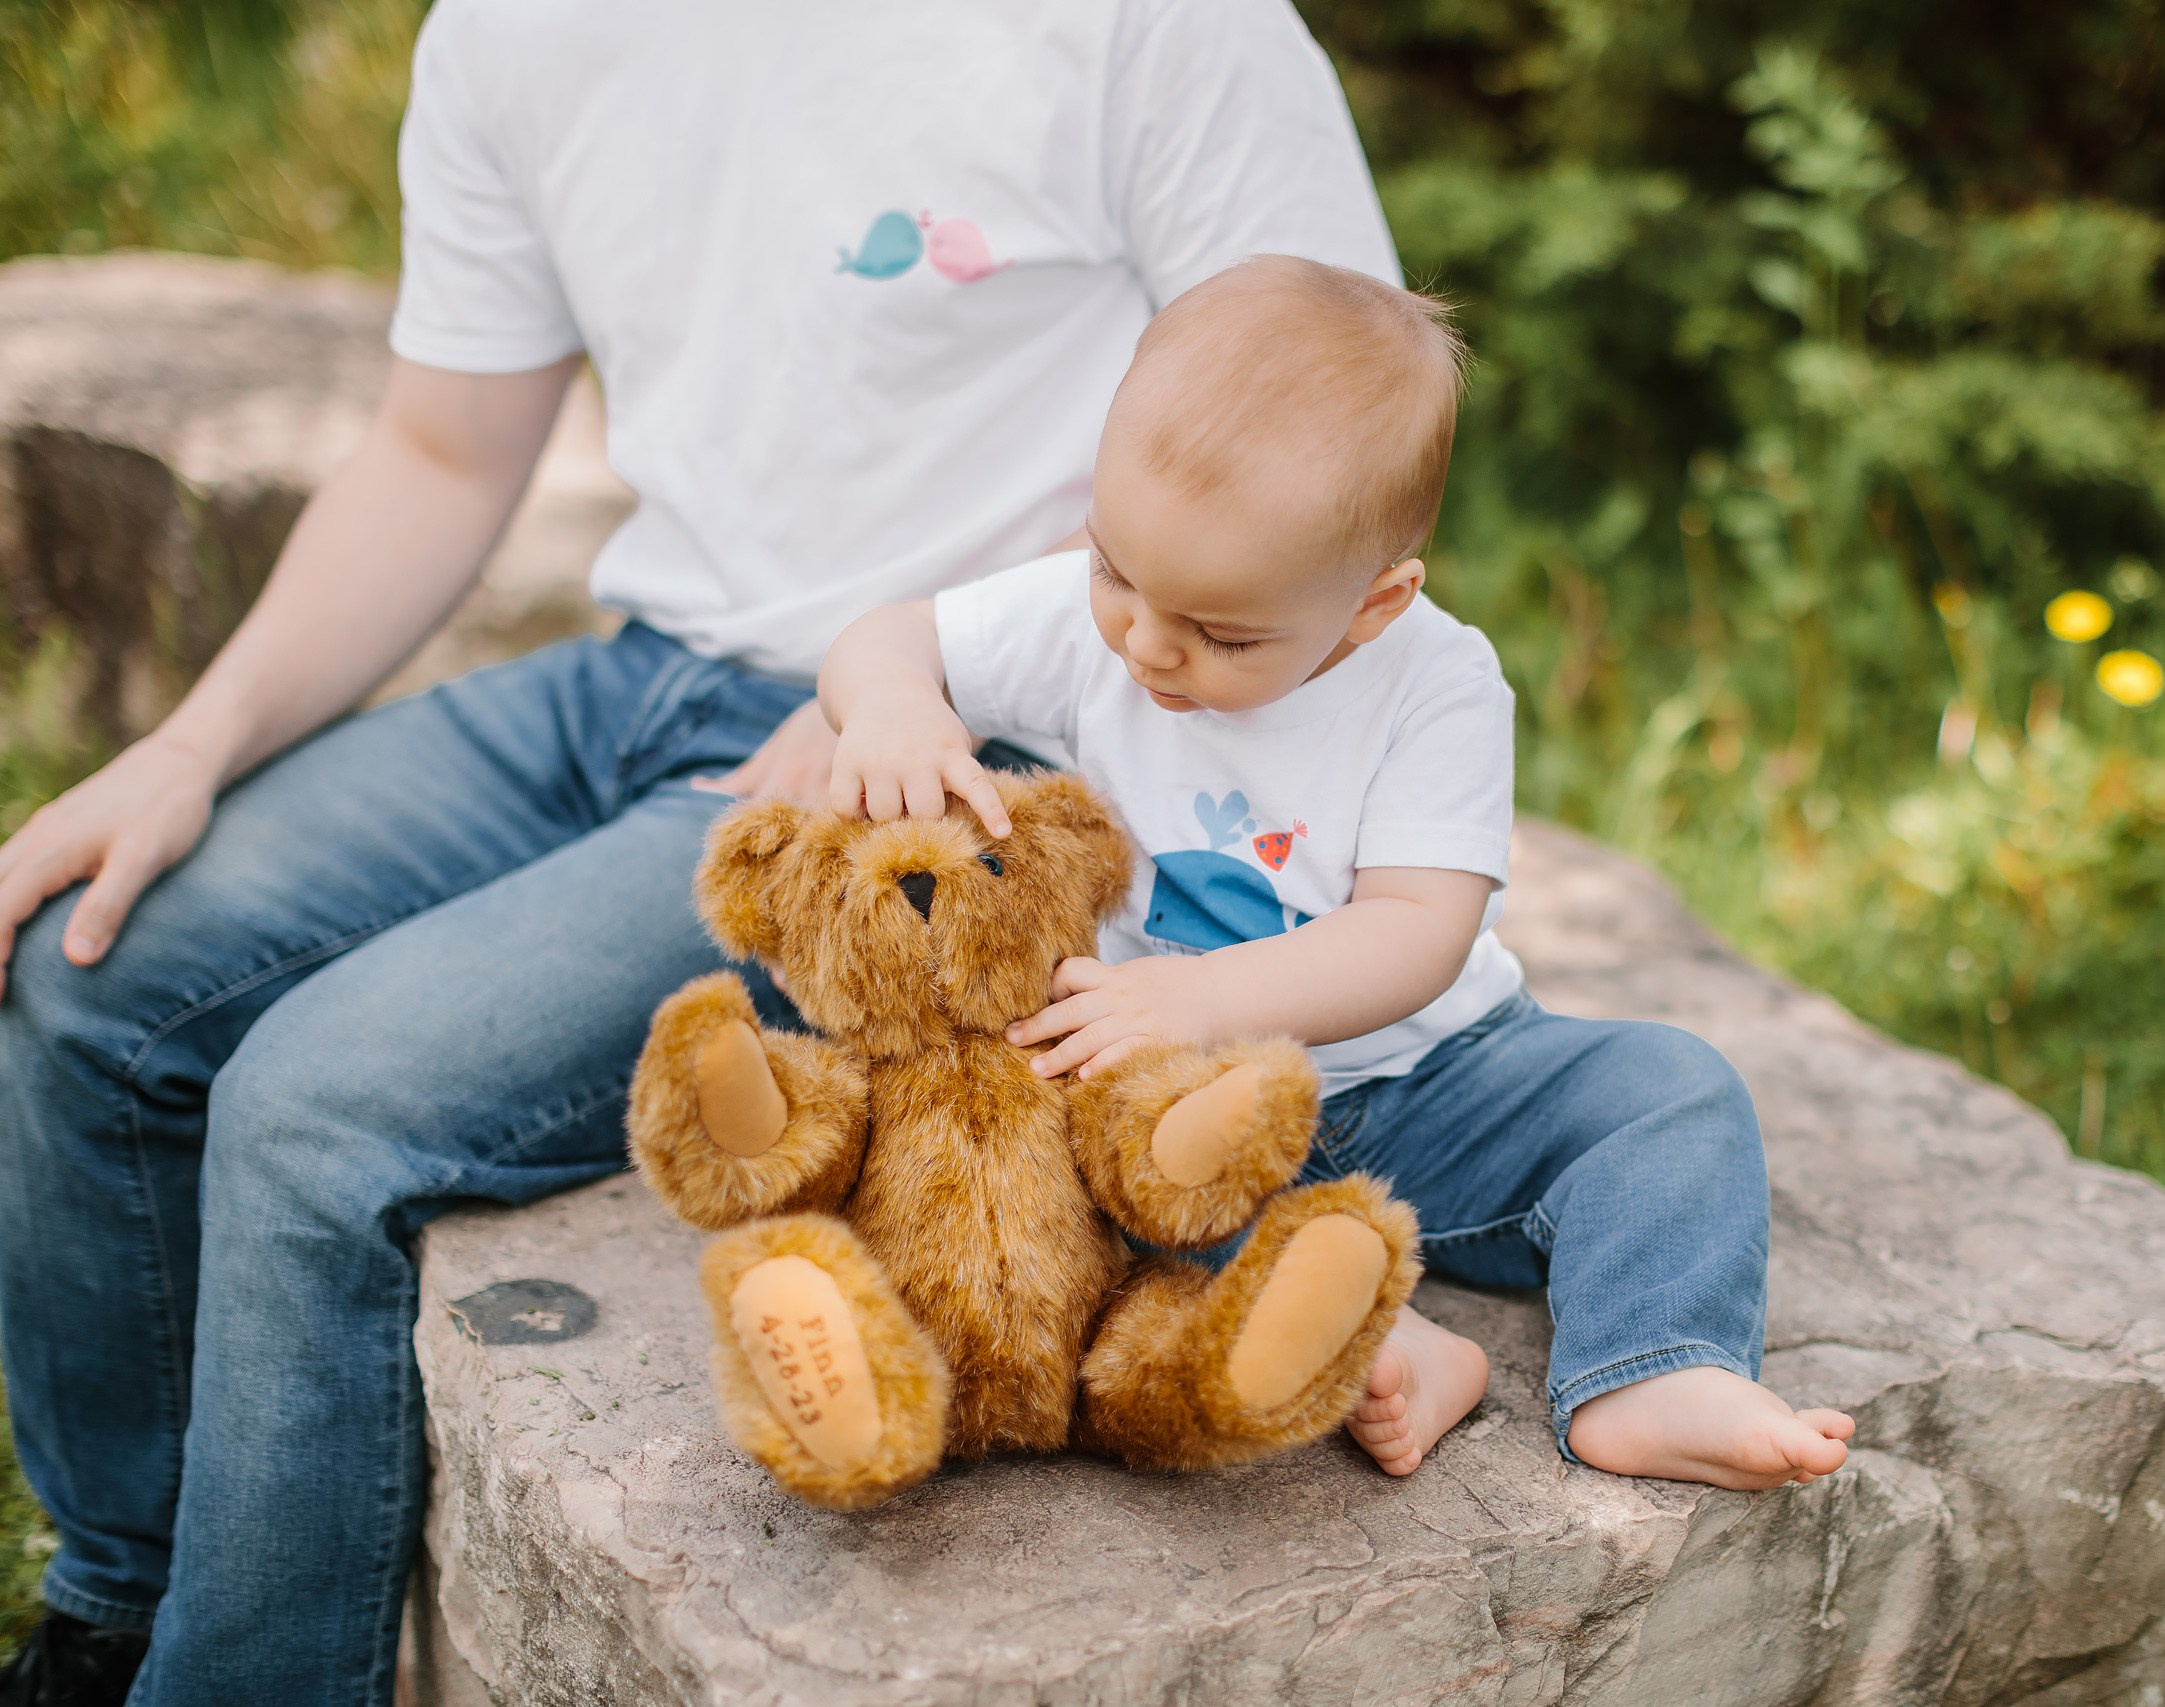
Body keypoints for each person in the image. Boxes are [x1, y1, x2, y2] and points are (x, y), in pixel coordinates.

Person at [0, 0, 1402, 1700]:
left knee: (312, 1106)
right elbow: (443, 451)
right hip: (634, 677)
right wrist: (186, 745)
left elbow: (1339, 448)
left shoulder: (1150, 26)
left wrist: (914, 660)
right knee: (95, 967)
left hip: (954, 750)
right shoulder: (509, 34)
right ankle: (119, 1600)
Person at [817, 255, 1860, 1491]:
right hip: (1165, 1111)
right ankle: (1392, 1339)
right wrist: (891, 707)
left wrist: (1204, 998)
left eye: (1224, 634)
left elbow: (1415, 932)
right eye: (1114, 572)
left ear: (1374, 606)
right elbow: (891, 635)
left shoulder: (1437, 683)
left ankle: (1653, 1364)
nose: (1147, 641)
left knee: (1670, 1088)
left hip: (1431, 1076)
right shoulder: (1115, 609)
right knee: (1043, 1167)